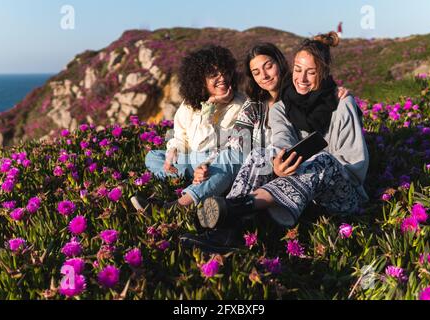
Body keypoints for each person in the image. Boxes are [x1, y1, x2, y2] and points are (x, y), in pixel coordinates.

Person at [181, 32, 369, 253]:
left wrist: (308, 167)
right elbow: (281, 139)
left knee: (323, 160)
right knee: (260, 154)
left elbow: (355, 167)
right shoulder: (281, 107)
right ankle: (227, 232)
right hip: (301, 196)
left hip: (342, 195)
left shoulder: (342, 103)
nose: (302, 78)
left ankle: (232, 208)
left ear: (325, 72)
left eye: (311, 72)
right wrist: (279, 159)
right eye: (298, 69)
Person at [131, 45, 246, 211]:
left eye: (225, 73)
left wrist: (211, 105)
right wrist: (173, 151)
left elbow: (209, 146)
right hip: (192, 162)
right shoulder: (189, 105)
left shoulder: (239, 105)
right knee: (153, 156)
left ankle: (174, 206)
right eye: (214, 75)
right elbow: (180, 136)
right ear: (200, 80)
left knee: (226, 166)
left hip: (215, 163)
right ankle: (188, 182)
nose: (222, 78)